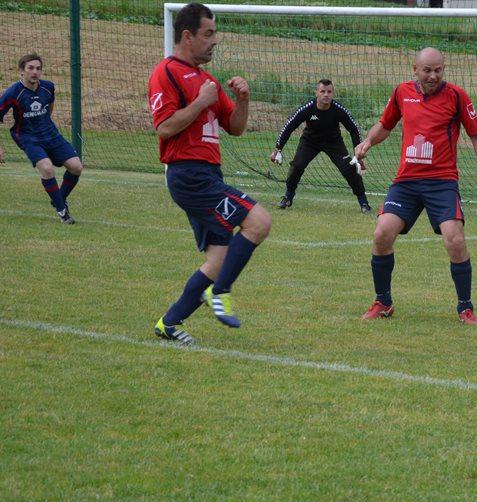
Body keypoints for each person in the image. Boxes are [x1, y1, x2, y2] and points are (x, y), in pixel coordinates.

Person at [147, 2, 272, 344]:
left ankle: (169, 323)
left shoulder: (207, 80)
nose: (215, 40)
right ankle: (220, 292)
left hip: (209, 175)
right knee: (259, 222)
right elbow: (164, 127)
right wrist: (201, 102)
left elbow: (236, 127)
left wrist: (242, 99)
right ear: (187, 36)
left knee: (219, 259)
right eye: (208, 33)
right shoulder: (166, 72)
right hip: (189, 175)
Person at [353, 47, 477, 324]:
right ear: (415, 69)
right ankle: (383, 302)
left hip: (441, 182)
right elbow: (385, 125)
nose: (433, 76)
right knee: (382, 233)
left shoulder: (457, 96)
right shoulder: (402, 92)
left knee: (455, 239)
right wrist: (368, 142)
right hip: (406, 182)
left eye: (438, 70)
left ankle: (465, 308)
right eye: (427, 70)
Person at [0, 53, 83, 224]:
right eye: (30, 68)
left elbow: (50, 105)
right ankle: (62, 212)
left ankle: (58, 199)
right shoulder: (13, 92)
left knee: (76, 167)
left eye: (38, 68)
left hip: (50, 133)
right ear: (21, 71)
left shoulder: (48, 87)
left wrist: (44, 123)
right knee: (47, 169)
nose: (35, 72)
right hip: (27, 136)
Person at [272, 79, 371, 214]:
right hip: (310, 142)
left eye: (329, 92)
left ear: (333, 94)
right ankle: (288, 197)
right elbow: (288, 127)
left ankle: (364, 202)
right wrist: (278, 149)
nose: (326, 95)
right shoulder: (307, 109)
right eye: (322, 91)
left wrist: (358, 154)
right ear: (316, 93)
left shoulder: (339, 110)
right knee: (297, 165)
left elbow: (354, 129)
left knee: (349, 169)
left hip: (333, 143)